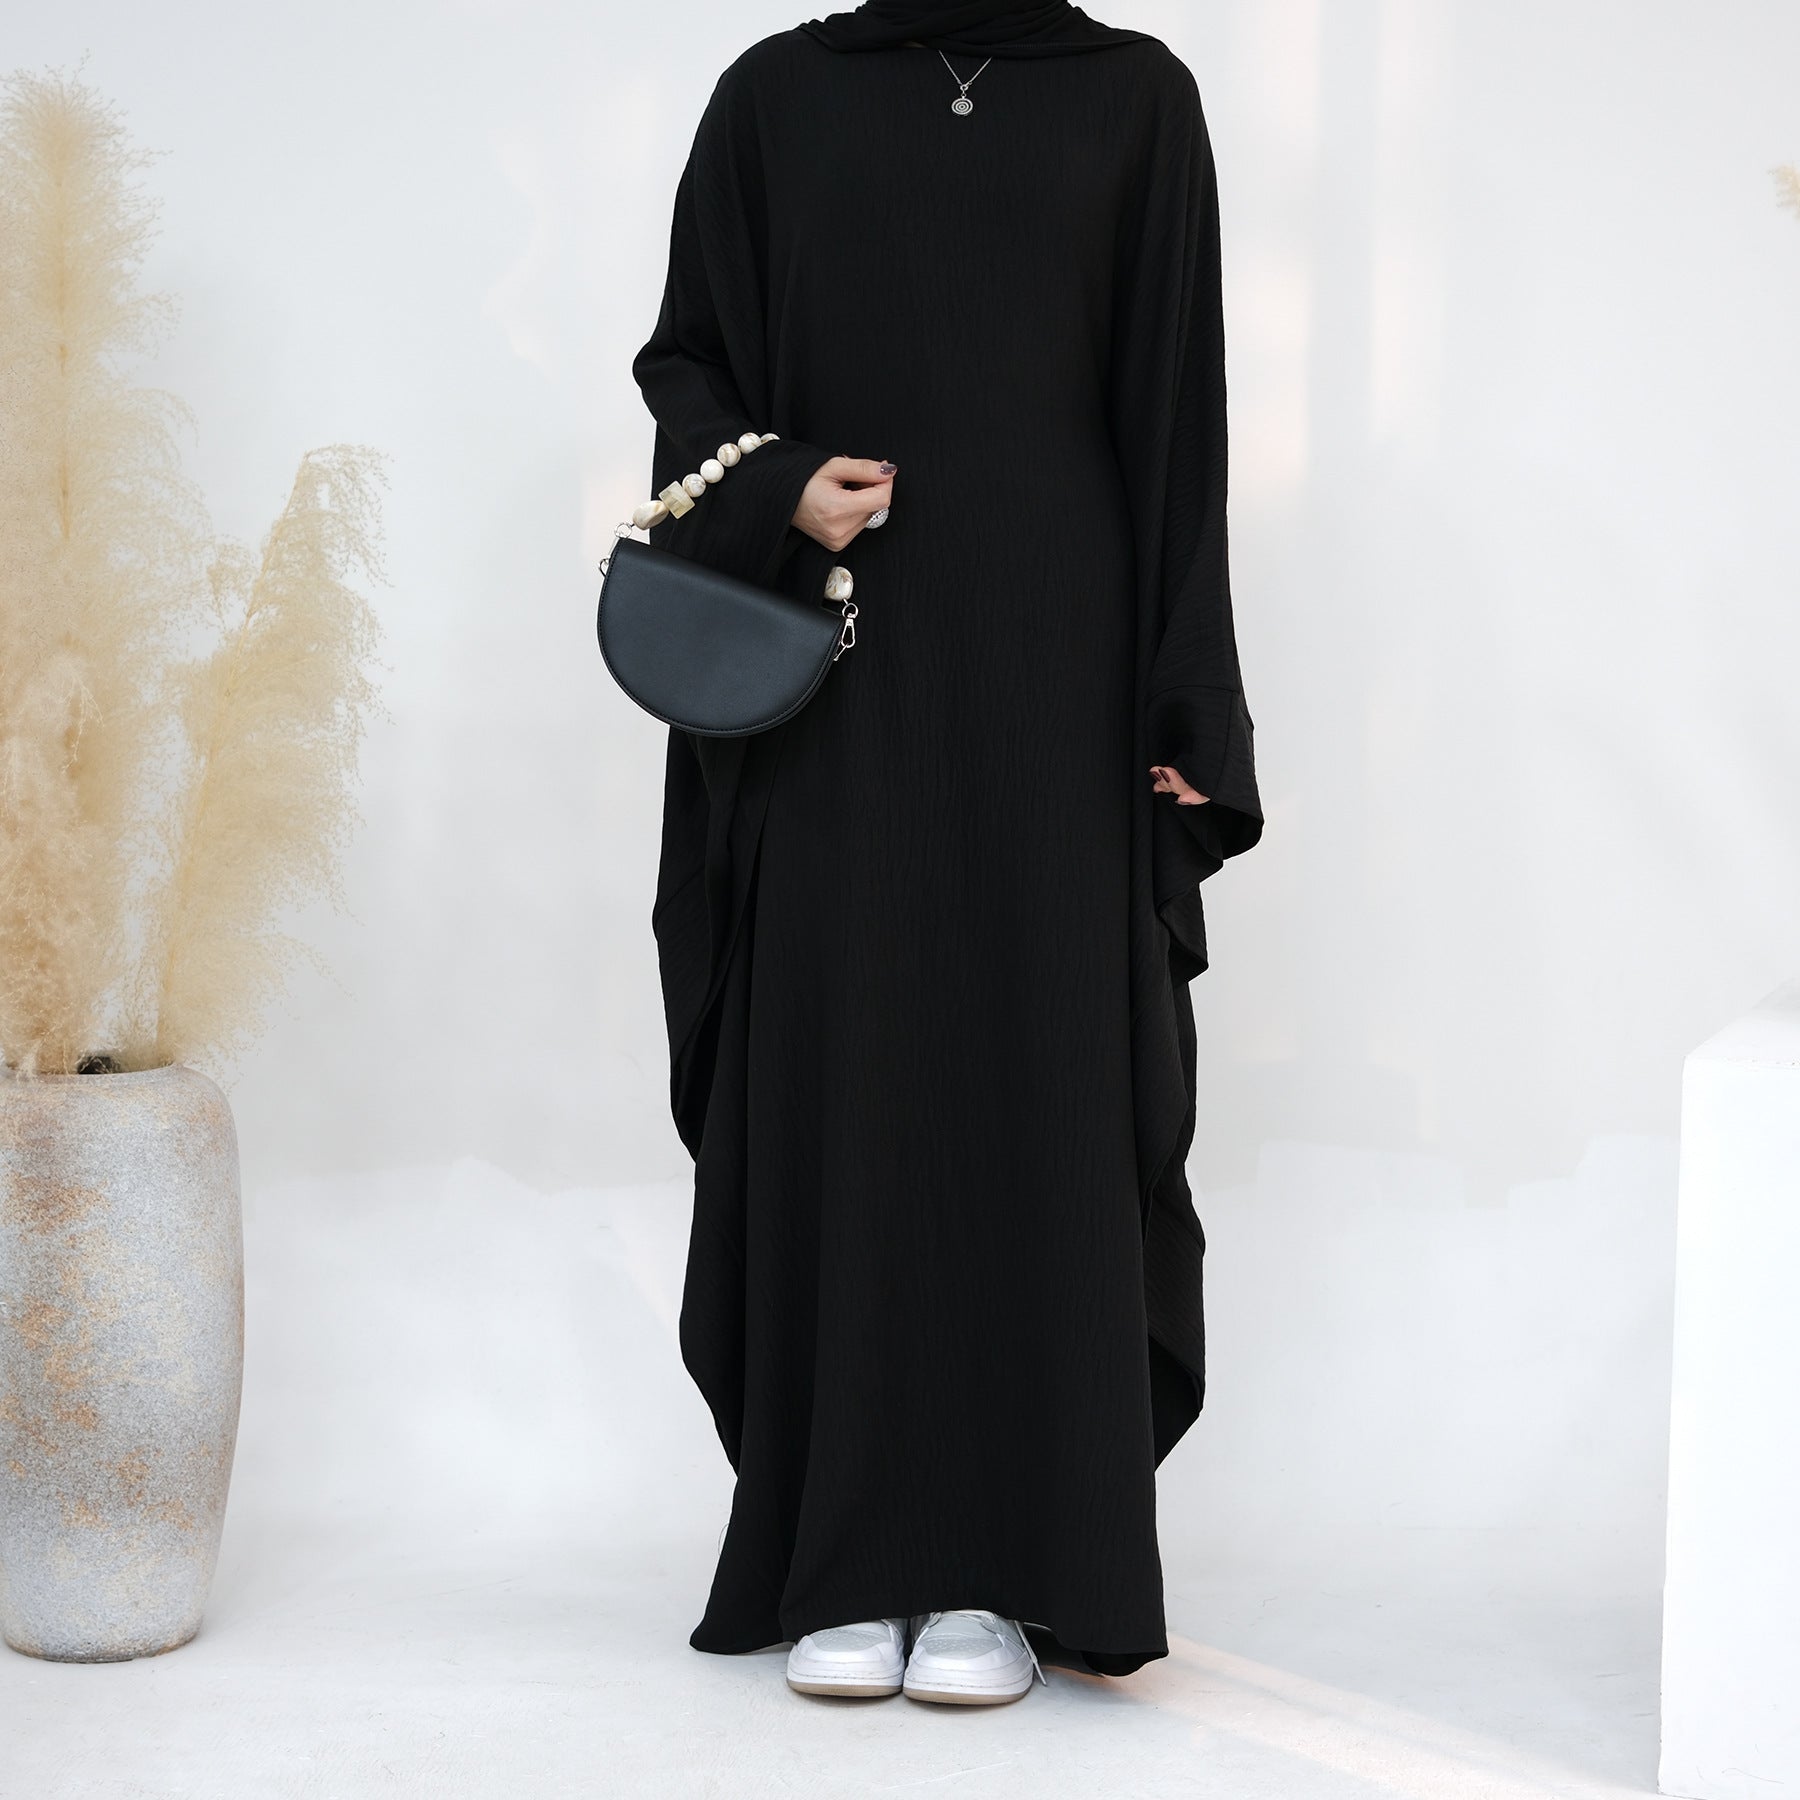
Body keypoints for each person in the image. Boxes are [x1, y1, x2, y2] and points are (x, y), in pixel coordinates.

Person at [627, 0, 1262, 1705]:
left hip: (1058, 680)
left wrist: (1186, 705)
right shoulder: (776, 98)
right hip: (839, 676)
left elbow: (1175, 413)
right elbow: (688, 360)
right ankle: (849, 1553)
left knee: (1031, 1083)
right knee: (848, 1075)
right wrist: (779, 490)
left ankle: (1003, 1564)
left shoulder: (1136, 101)